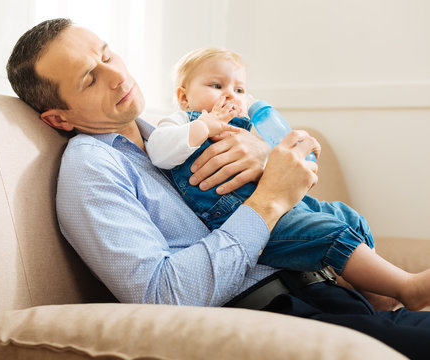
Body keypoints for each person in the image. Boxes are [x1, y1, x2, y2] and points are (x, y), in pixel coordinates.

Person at [6, 18, 430, 359]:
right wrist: (269, 201)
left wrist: (266, 159)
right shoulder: (91, 166)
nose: (117, 75)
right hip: (272, 318)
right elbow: (163, 295)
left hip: (324, 287)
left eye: (107, 54)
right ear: (59, 119)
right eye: (89, 79)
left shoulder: (170, 135)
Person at [145, 46, 430, 311]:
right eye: (217, 86)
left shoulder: (246, 131)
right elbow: (159, 152)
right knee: (326, 232)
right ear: (184, 97)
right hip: (244, 218)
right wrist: (204, 125)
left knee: (347, 216)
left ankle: (376, 293)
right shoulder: (182, 123)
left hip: (287, 204)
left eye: (240, 89)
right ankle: (406, 287)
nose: (230, 95)